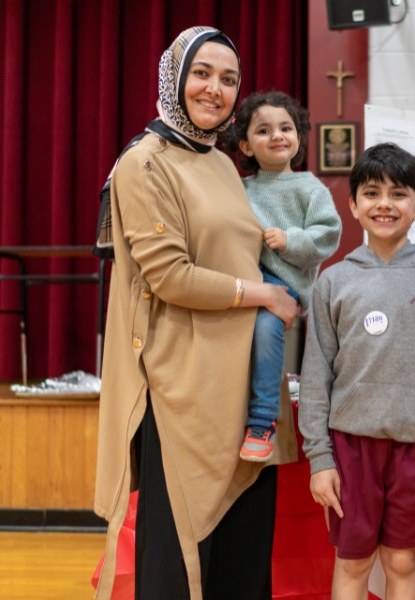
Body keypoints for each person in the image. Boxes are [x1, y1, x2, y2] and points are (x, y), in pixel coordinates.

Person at [93, 26, 299, 600]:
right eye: (202, 74)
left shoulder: (222, 164)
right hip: (183, 386)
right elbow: (170, 276)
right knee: (179, 561)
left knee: (242, 559)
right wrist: (265, 297)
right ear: (175, 77)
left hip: (244, 388)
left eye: (229, 79)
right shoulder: (145, 162)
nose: (215, 89)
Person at [298, 142, 415, 600]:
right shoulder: (334, 280)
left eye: (398, 194)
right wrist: (319, 459)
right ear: (353, 205)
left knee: (402, 560)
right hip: (350, 446)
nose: (385, 205)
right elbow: (316, 377)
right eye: (372, 193)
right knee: (352, 561)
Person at [225, 90, 342, 461]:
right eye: (263, 131)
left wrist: (289, 240)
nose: (277, 136)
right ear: (245, 144)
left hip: (283, 283)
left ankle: (262, 421)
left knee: (264, 328)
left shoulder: (310, 187)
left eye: (285, 128)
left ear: (298, 137)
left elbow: (328, 235)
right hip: (243, 276)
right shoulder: (239, 188)